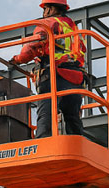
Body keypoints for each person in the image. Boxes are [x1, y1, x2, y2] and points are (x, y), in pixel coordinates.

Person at [9, 0, 87, 139]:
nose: (44, 12)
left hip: (54, 75)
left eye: (45, 9)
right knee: (72, 116)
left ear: (51, 9)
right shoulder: (74, 29)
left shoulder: (48, 23)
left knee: (46, 113)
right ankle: (77, 142)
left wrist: (17, 59)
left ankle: (43, 142)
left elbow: (32, 47)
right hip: (75, 78)